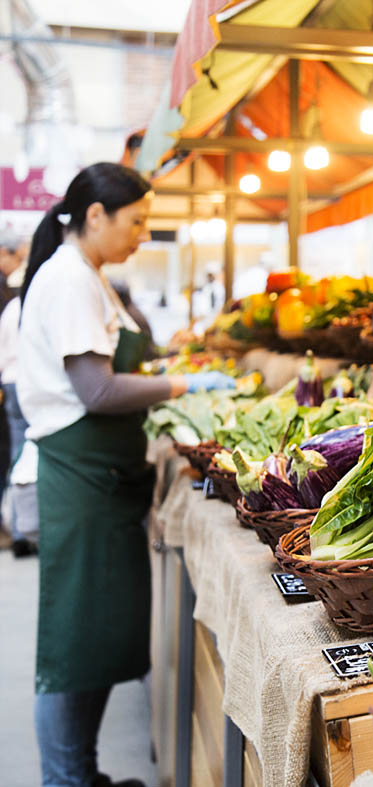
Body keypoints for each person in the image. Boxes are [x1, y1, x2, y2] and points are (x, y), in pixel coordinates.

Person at [19, 163, 236, 787]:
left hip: (101, 479)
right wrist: (186, 381)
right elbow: (97, 389)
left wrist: (172, 369)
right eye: (136, 222)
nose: (143, 235)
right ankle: (66, 779)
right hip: (81, 477)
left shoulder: (89, 277)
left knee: (89, 642)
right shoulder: (69, 281)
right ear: (96, 216)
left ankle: (80, 774)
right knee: (71, 645)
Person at [0, 237, 36, 556]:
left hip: (12, 385)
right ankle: (23, 527)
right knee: (28, 453)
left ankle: (20, 526)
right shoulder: (27, 308)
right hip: (25, 386)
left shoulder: (12, 308)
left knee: (19, 452)